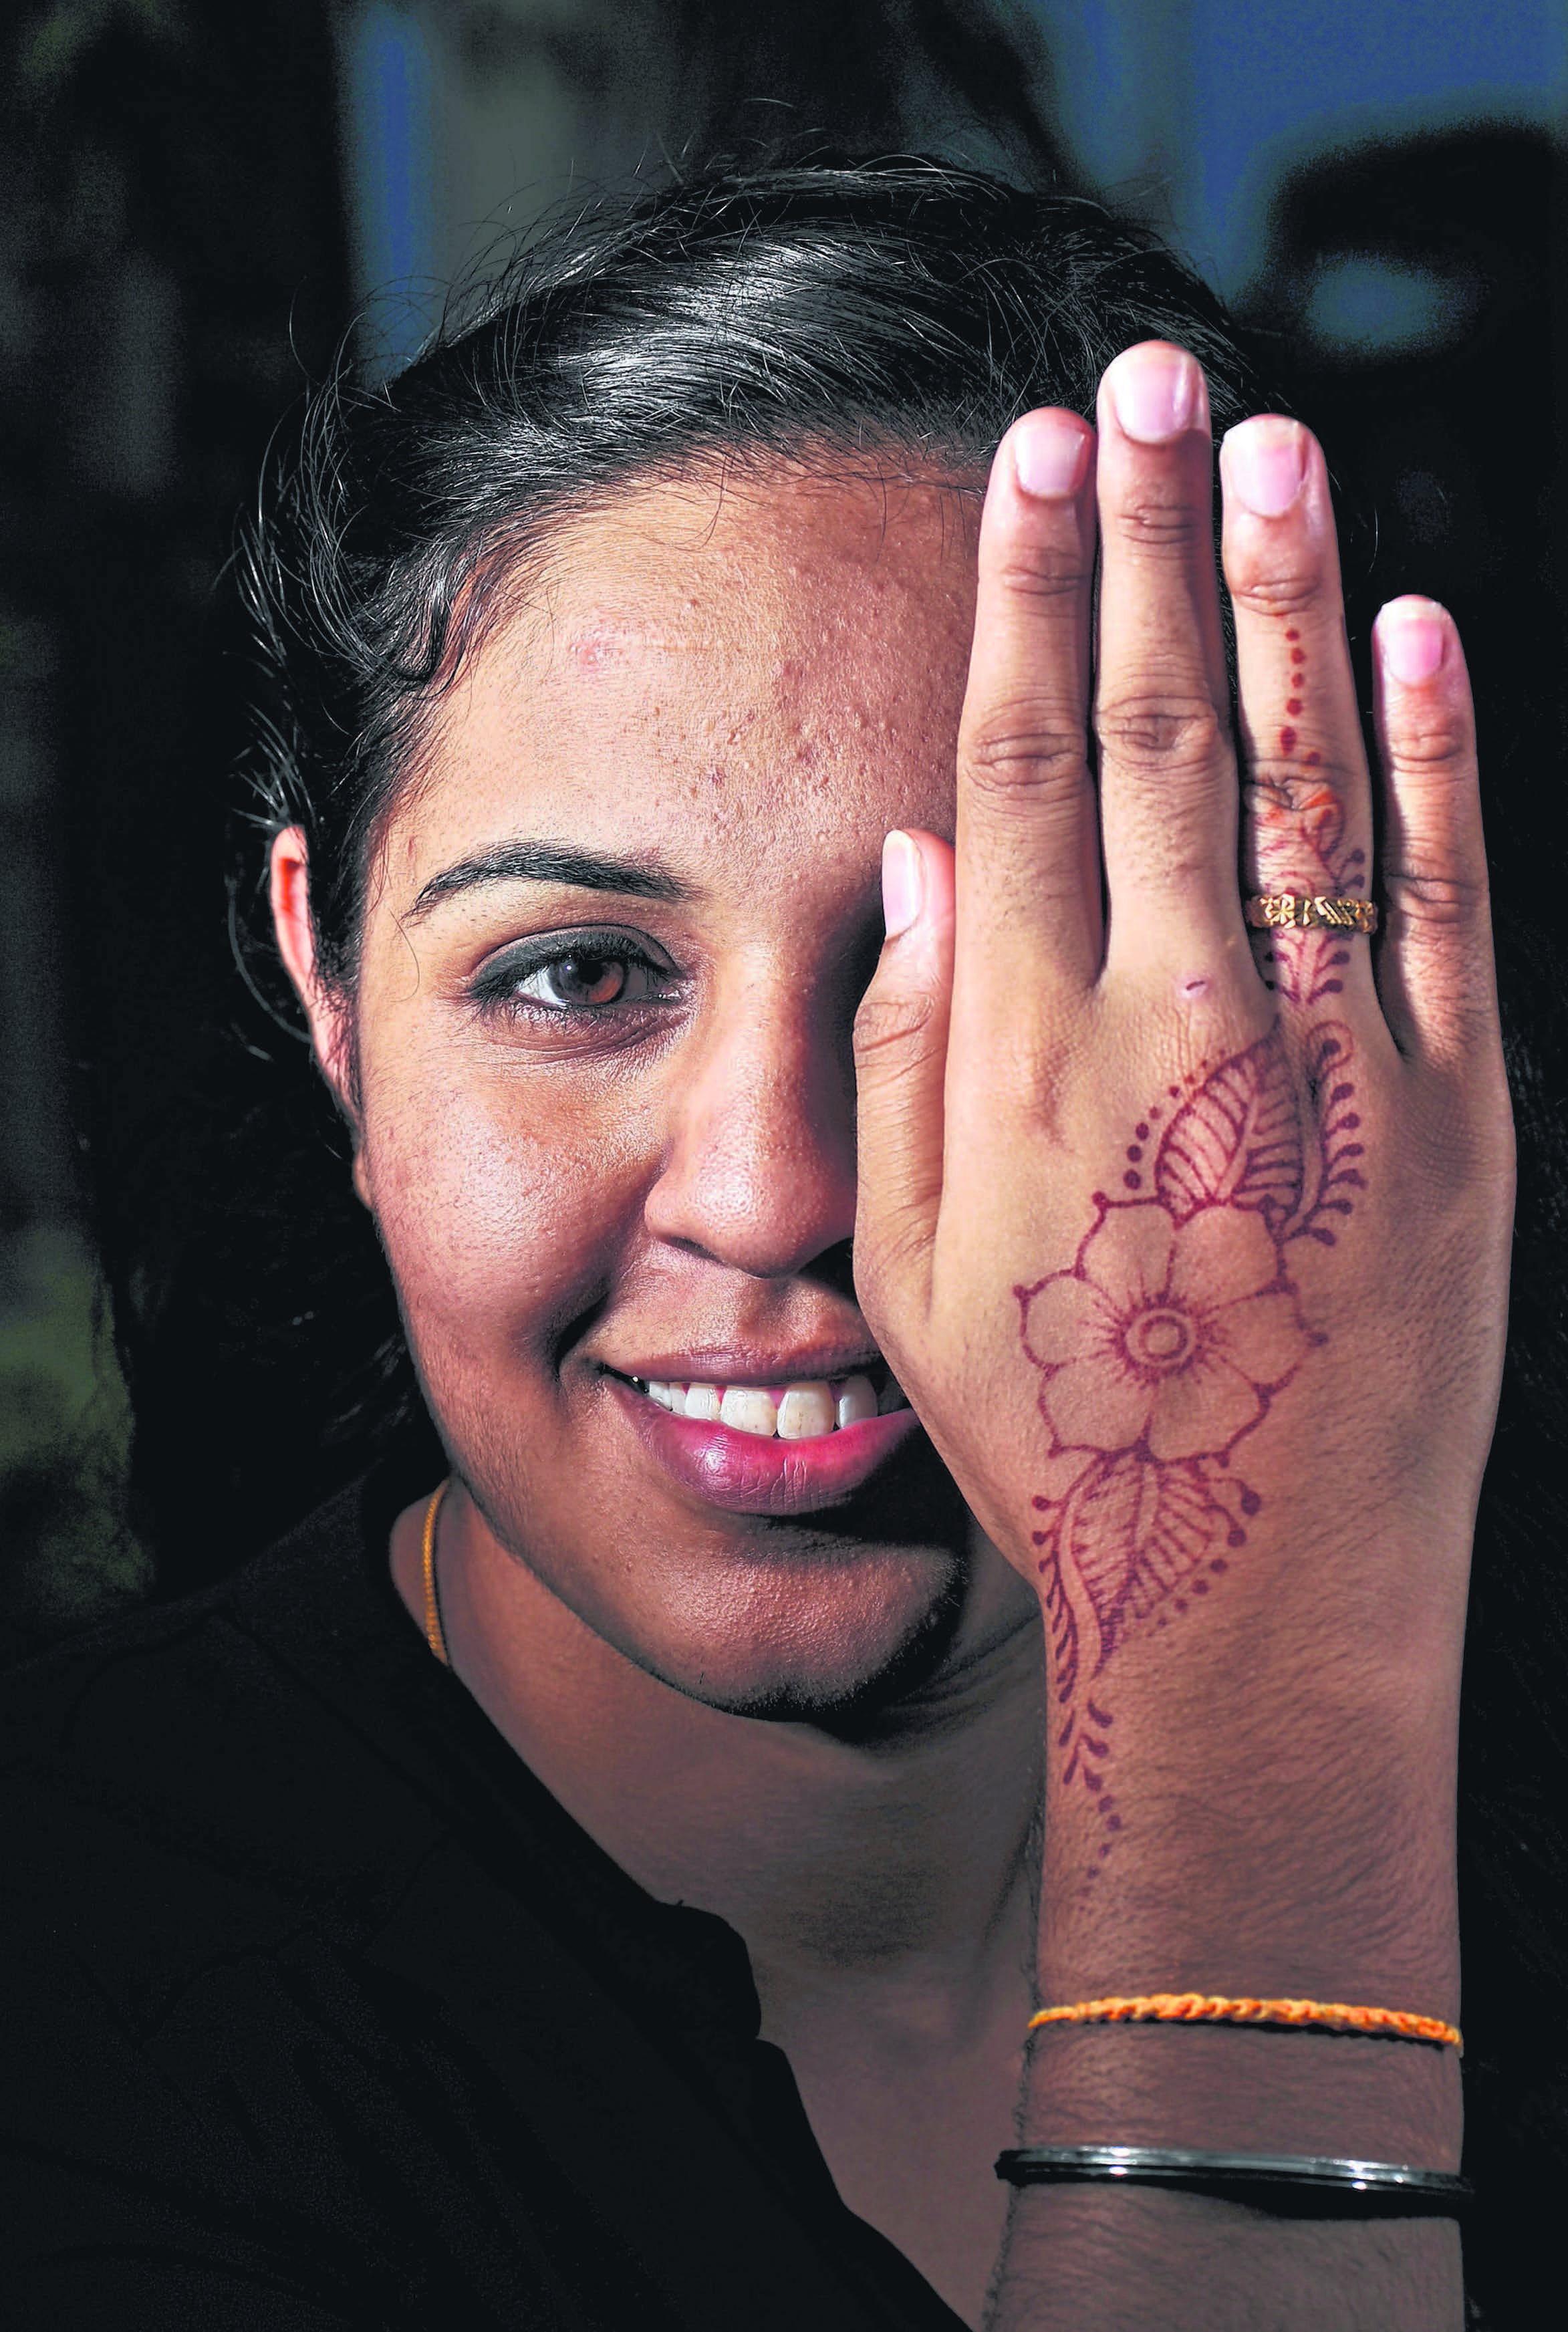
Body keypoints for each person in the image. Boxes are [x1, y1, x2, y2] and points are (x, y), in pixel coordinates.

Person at [0, 160, 1523, 2327]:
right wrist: (1269, 1852)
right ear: (326, 996)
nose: (775, 1189)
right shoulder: (66, 2007)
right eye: (577, 976)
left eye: (985, 977)